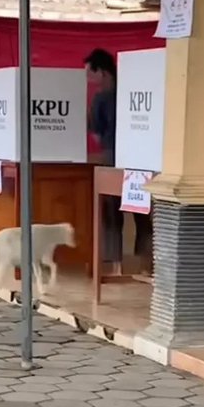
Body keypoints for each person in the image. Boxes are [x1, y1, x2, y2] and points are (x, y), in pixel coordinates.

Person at [84, 49, 152, 272]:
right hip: (141, 159)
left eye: (89, 73)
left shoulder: (100, 98)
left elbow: (96, 133)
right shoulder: (133, 90)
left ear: (101, 72)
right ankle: (146, 265)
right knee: (142, 214)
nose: (87, 79)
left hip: (111, 160)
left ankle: (115, 265)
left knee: (113, 216)